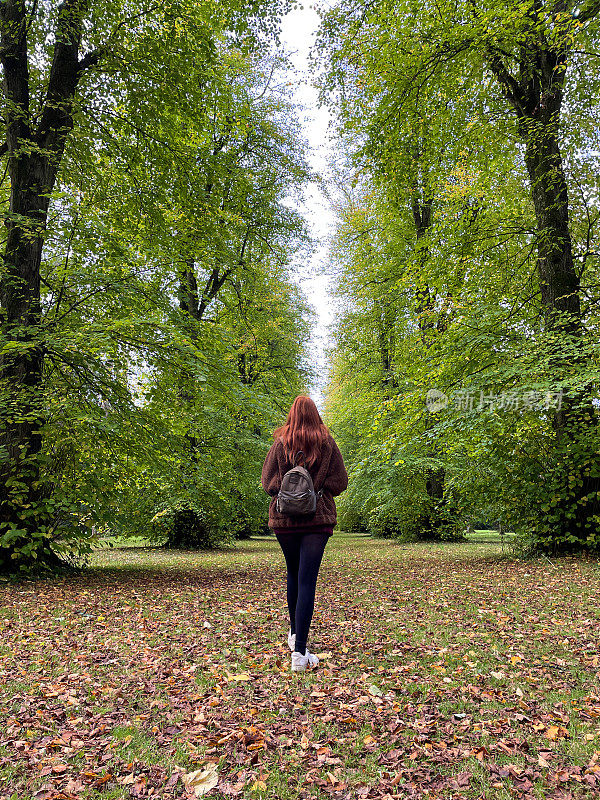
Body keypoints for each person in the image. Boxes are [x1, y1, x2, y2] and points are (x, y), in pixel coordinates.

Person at [261, 395, 348, 672]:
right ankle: (299, 654)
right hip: (317, 519)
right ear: (315, 415)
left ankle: (294, 635)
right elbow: (340, 482)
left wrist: (288, 492)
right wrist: (317, 489)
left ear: (292, 414)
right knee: (307, 580)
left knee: (293, 574)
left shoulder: (280, 444)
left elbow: (268, 483)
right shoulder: (327, 443)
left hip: (284, 520)